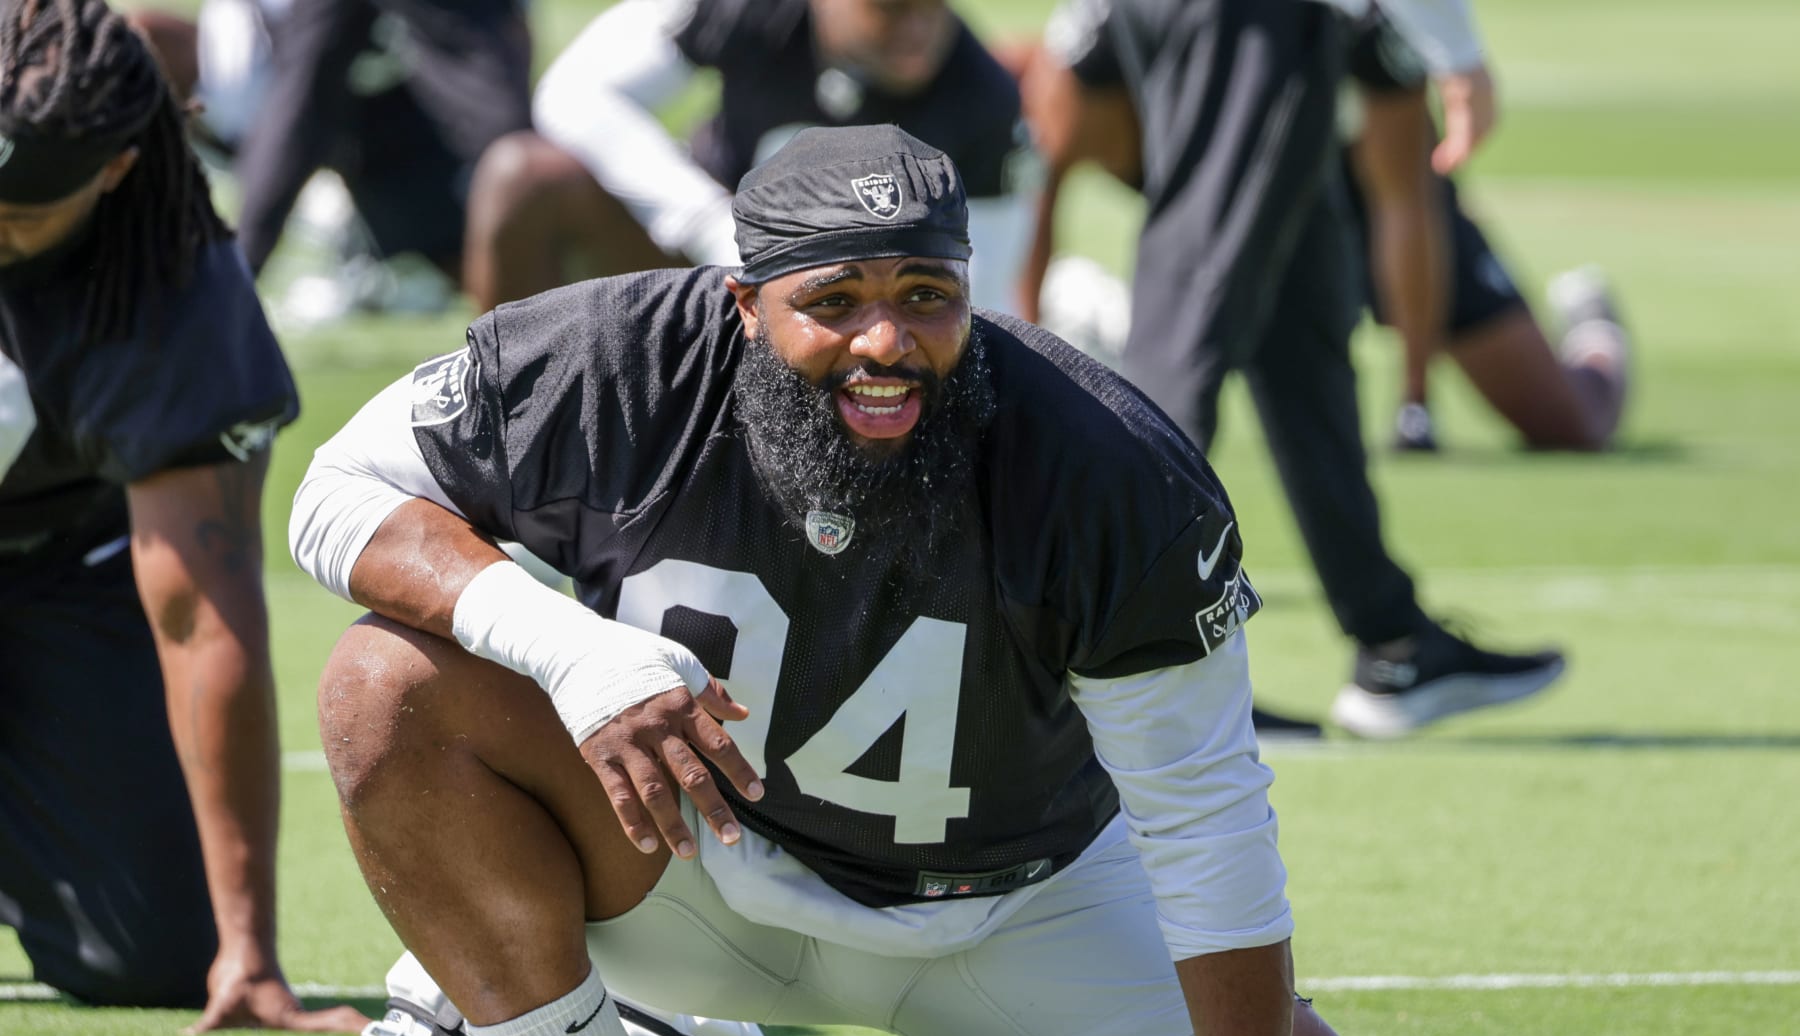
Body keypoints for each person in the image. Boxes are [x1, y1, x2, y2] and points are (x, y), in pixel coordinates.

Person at [290, 125, 1577, 1036]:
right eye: (833, 303)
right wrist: (570, 650)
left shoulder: (1104, 465)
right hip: (700, 864)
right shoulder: (614, 360)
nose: (884, 344)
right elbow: (336, 491)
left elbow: (1206, 823)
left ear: (973, 289)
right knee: (384, 688)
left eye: (924, 296)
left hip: (1017, 911)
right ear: (743, 306)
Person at [1027, 0, 1566, 739]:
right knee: (1191, 324)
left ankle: (1393, 644)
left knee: (1301, 325)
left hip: (1242, 22)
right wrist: (1458, 51)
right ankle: (1104, 663)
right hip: (1247, 18)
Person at [0, 0, 358, 1030]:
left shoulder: (171, 289)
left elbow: (201, 615)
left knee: (152, 954)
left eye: (18, 214)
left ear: (112, 172)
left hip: (59, 568)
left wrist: (249, 949)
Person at [462, 0, 1034, 314]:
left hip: (852, 317)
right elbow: (575, 91)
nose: (916, 26)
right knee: (523, 177)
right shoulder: (751, 11)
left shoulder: (978, 90)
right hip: (707, 272)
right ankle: (510, 431)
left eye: (930, 6)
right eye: (888, 7)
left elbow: (980, 294)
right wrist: (707, 221)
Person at [1340, 9, 1630, 453]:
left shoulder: (1369, 25)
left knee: (1569, 425)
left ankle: (1593, 331)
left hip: (1376, 190)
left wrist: (1415, 404)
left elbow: (1405, 200)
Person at [138, 0, 533, 296]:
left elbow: (298, 113)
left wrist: (239, 269)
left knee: (508, 146)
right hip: (373, 120)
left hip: (374, 96)